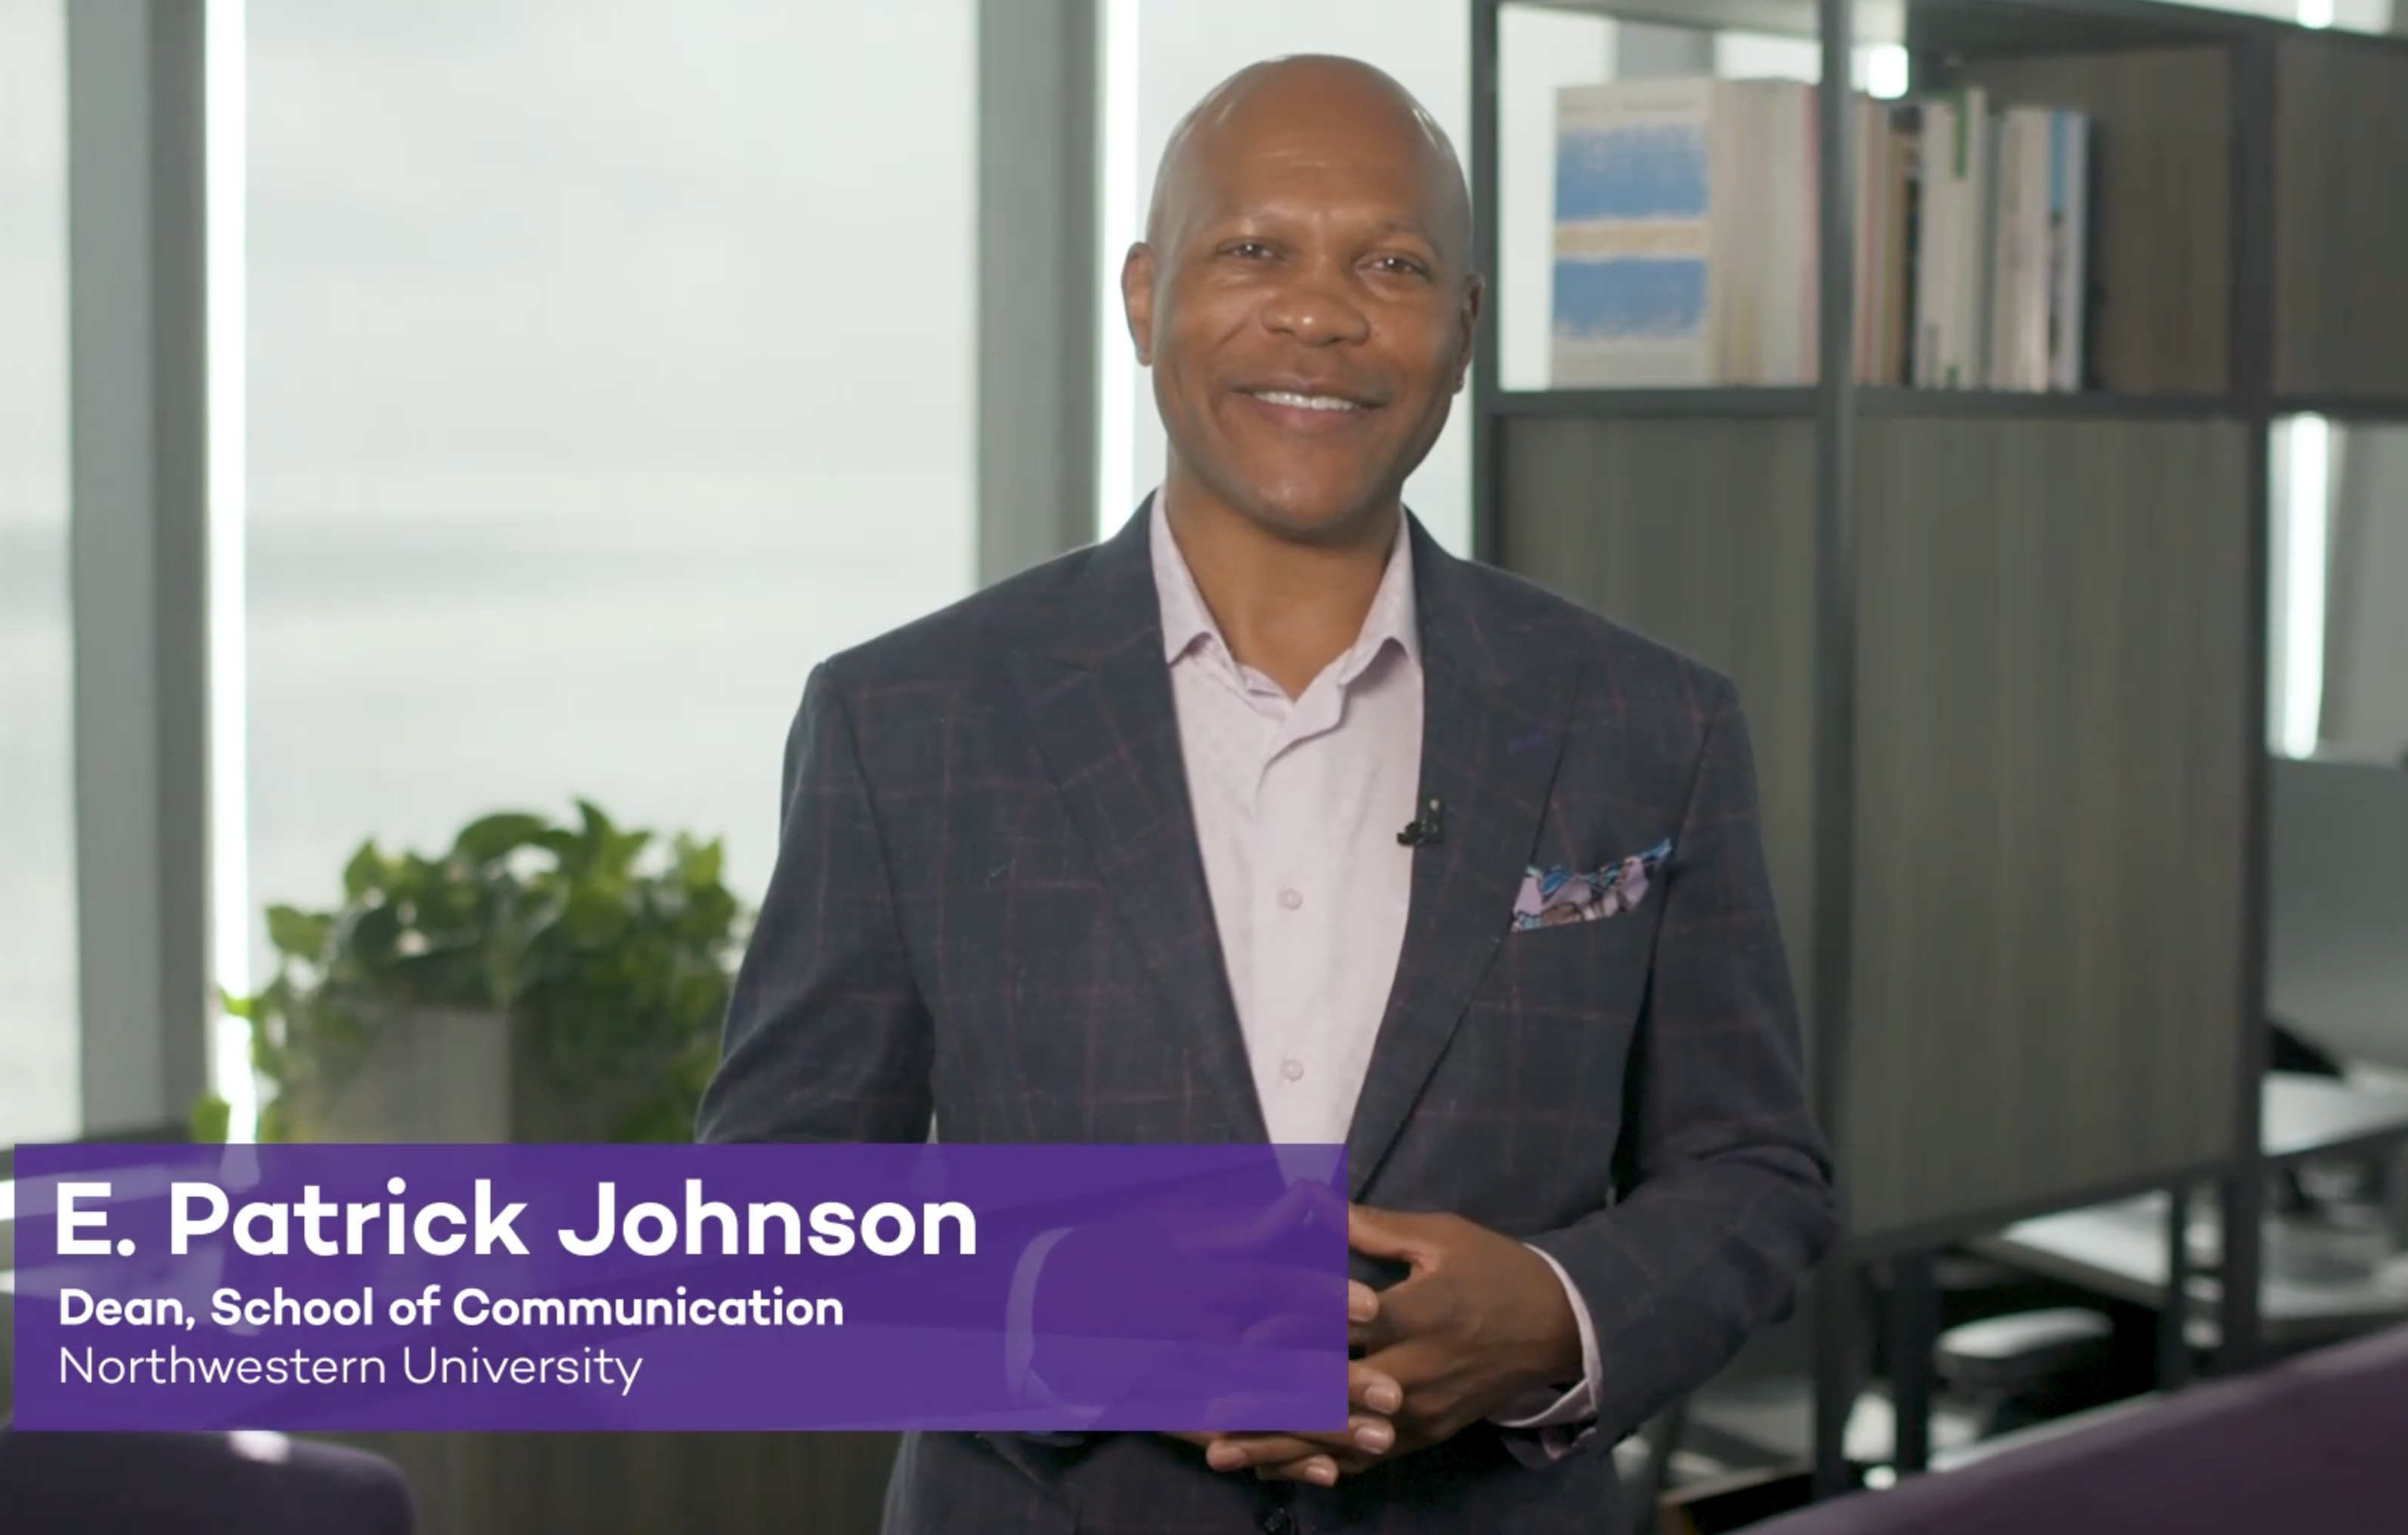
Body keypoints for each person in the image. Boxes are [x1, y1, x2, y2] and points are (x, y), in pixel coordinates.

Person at [698, 54, 1837, 1535]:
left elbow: (1755, 1172)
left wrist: (1555, 1313)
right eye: (1254, 251)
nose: (1319, 309)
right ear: (1141, 296)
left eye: (1393, 261)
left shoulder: (1650, 721)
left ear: (1465, 328)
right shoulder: (904, 720)